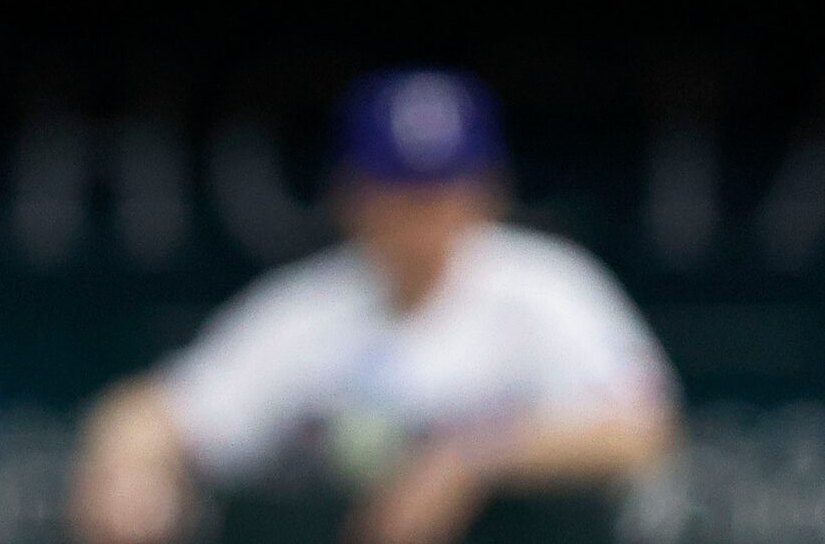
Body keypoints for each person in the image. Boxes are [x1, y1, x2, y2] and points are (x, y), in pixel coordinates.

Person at [70, 71, 678, 544]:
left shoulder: (545, 287)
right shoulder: (308, 308)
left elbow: (641, 430)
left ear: (486, 191)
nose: (421, 214)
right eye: (399, 190)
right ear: (351, 194)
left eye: (440, 189)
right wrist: (126, 470)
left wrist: (469, 457)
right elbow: (149, 412)